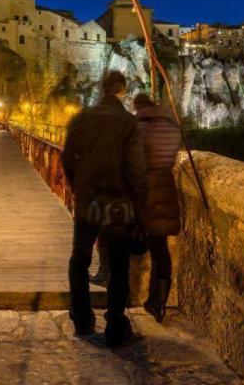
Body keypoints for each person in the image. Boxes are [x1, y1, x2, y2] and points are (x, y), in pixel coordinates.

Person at [63, 70, 147, 348]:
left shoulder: (81, 118)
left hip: (88, 200)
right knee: (118, 265)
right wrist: (139, 203)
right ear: (122, 91)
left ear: (102, 89)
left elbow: (67, 158)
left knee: (80, 259)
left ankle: (82, 318)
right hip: (118, 203)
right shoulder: (129, 122)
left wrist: (78, 187)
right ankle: (114, 324)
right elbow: (137, 169)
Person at [132, 93, 183, 323]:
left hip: (145, 190)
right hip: (166, 189)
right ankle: (159, 302)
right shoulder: (171, 127)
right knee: (160, 248)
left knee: (139, 240)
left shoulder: (138, 129)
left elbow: (134, 161)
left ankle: (134, 296)